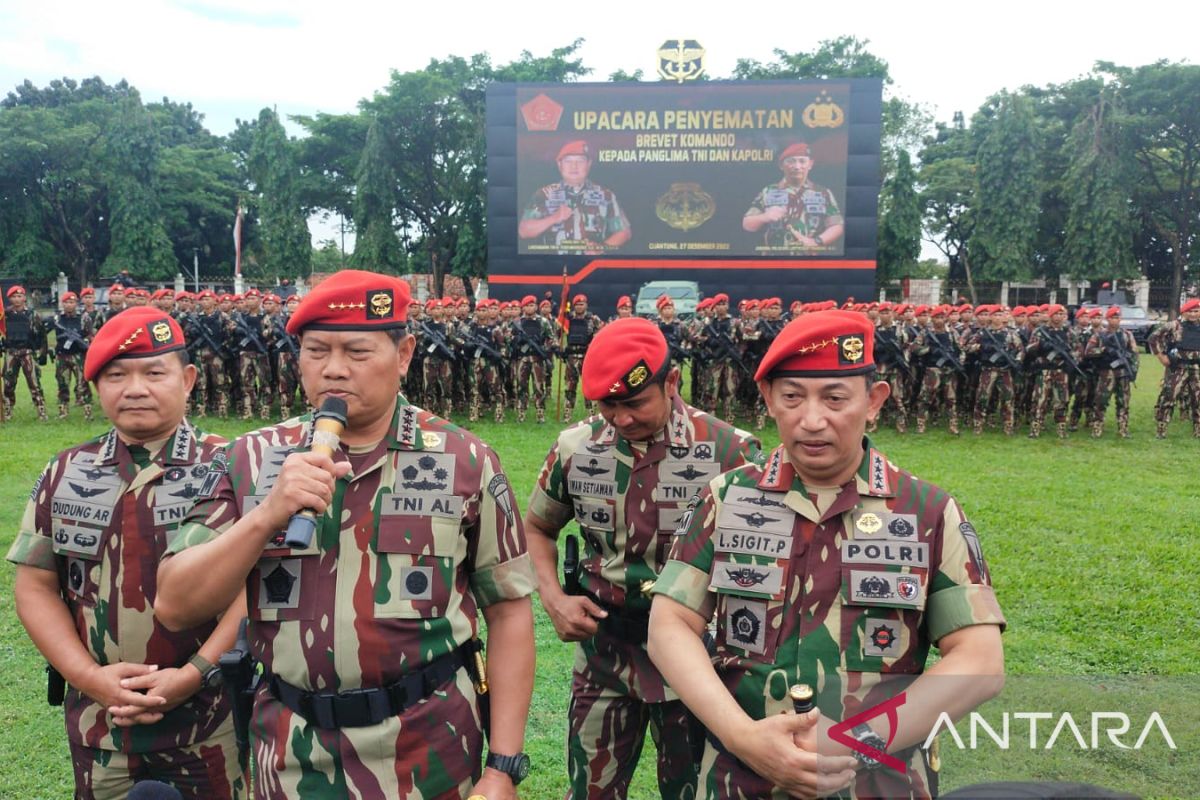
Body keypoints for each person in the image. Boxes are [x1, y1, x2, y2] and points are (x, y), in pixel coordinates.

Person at [154, 270, 536, 800]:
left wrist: (502, 767)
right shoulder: (250, 459)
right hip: (290, 754)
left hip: (432, 750)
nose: (334, 369)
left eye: (357, 352)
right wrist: (266, 516)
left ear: (403, 355)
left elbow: (509, 609)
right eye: (316, 351)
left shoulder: (465, 460)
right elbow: (175, 603)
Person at [648, 310, 1006, 800]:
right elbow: (669, 626)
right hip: (739, 779)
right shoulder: (725, 499)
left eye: (835, 398)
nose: (812, 420)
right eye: (792, 397)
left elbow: (980, 659)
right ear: (769, 400)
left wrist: (855, 744)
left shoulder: (928, 511)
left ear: (874, 402)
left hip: (881, 782)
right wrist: (742, 736)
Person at [8, 307, 243, 800]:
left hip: (212, 722)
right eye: (116, 375)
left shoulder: (233, 467)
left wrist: (195, 673)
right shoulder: (66, 472)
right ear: (98, 387)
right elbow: (35, 586)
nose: (135, 388)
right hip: (101, 728)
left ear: (189, 378)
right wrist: (90, 678)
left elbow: (257, 588)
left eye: (154, 372)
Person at [525, 317, 760, 800]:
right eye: (608, 405)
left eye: (635, 403)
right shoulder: (577, 448)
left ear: (671, 382)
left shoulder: (729, 452)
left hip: (697, 661)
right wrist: (553, 599)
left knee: (693, 790)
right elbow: (538, 527)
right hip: (605, 655)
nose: (622, 418)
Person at [519, 140, 631, 254]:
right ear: (559, 164)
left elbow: (624, 232)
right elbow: (524, 231)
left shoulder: (606, 195)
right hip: (553, 266)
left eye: (580, 161)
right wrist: (554, 218)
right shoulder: (544, 194)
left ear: (589, 164)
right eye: (568, 161)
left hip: (591, 265)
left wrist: (602, 248)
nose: (574, 166)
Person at [742, 142, 845, 251]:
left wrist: (815, 242)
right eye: (791, 161)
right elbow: (747, 224)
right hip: (774, 259)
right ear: (781, 165)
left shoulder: (823, 193)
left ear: (810, 164)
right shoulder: (768, 191)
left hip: (808, 260)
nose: (797, 166)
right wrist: (765, 217)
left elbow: (837, 225)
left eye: (802, 161)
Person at [1148, 297, 1200, 438]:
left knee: (1197, 400)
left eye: (1196, 311)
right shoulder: (1174, 326)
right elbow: (1153, 338)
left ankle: (1198, 430)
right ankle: (1161, 430)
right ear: (1184, 312)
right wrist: (1161, 356)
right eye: (1190, 311)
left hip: (1196, 368)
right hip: (1179, 368)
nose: (1193, 314)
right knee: (1169, 398)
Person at [1084, 306, 1137, 438]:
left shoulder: (1127, 335)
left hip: (1123, 373)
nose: (1115, 320)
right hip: (1106, 373)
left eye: (1118, 317)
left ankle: (1123, 428)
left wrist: (1133, 371)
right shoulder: (1099, 335)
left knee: (1123, 402)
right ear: (1107, 319)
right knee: (1101, 401)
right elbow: (1088, 352)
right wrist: (1103, 351)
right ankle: (1097, 427)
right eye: (1113, 317)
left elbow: (1134, 353)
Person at [2, 284, 49, 420]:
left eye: (20, 296)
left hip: (27, 352)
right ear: (10, 299)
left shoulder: (33, 315)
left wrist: (43, 353)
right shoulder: (5, 315)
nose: (17, 299)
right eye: (14, 297)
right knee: (8, 383)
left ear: (24, 298)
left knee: (34, 383)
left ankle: (41, 410)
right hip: (11, 352)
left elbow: (42, 335)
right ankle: (7, 410)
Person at [560, 293, 604, 423]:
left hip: (587, 358)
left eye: (582, 304)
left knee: (589, 386)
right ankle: (567, 414)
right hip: (571, 357)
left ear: (586, 305)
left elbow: (601, 333)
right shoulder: (568, 319)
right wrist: (560, 349)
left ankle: (591, 414)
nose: (579, 307)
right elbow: (559, 333)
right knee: (570, 386)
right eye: (577, 305)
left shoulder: (593, 319)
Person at [52, 290, 95, 420]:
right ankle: (63, 410)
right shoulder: (57, 318)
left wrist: (86, 345)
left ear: (76, 303)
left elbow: (90, 334)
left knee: (83, 383)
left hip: (78, 355)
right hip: (62, 356)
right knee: (62, 383)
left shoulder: (84, 317)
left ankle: (88, 410)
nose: (69, 305)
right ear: (62, 304)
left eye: (72, 302)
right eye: (66, 302)